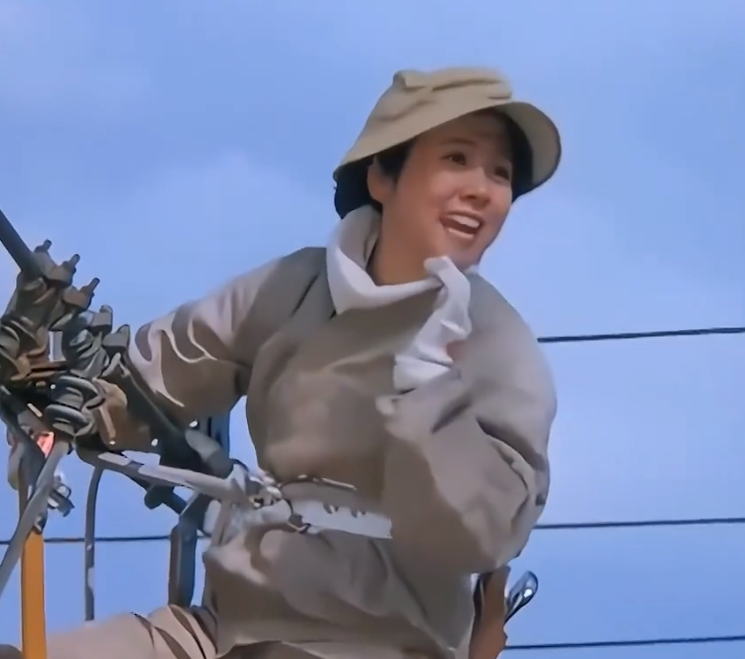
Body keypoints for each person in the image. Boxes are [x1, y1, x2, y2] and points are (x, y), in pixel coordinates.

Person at [1, 66, 561, 659]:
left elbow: (483, 530)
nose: (481, 190)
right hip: (226, 627)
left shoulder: (498, 345)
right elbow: (156, 376)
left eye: (500, 174)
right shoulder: (292, 289)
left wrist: (427, 395)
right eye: (456, 159)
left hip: (387, 639)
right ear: (382, 175)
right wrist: (65, 389)